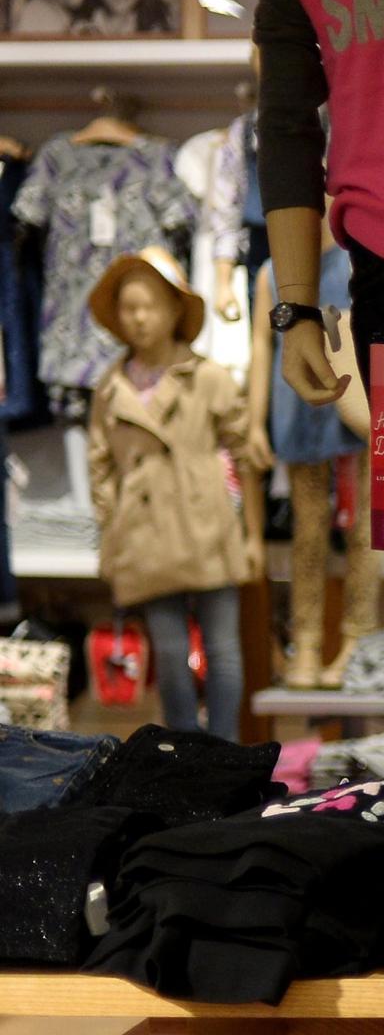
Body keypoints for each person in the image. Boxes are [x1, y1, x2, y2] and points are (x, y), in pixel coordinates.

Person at [86, 249, 262, 743]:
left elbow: (245, 455)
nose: (139, 318)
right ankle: (183, 755)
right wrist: (112, 529)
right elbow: (99, 467)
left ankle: (225, 752)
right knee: (167, 651)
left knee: (224, 648)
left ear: (174, 310)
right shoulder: (110, 388)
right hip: (145, 535)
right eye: (129, 307)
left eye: (150, 305)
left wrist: (250, 534)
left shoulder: (206, 377)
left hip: (208, 525)